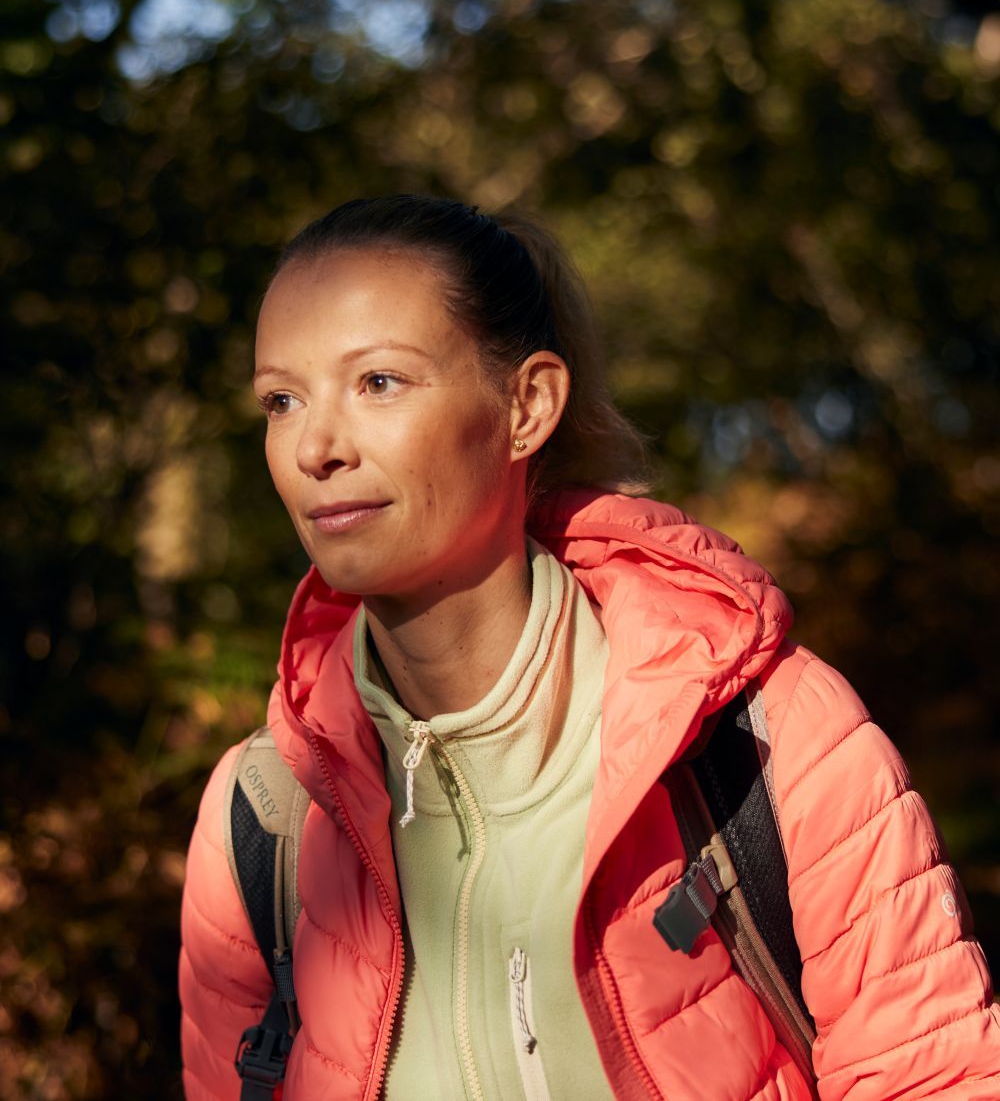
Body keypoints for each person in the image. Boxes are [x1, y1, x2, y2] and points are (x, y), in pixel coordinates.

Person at [179, 195, 999, 1101]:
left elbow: (936, 1077)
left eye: (378, 383)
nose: (314, 447)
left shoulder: (768, 737)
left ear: (528, 405)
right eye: (281, 400)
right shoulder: (263, 813)